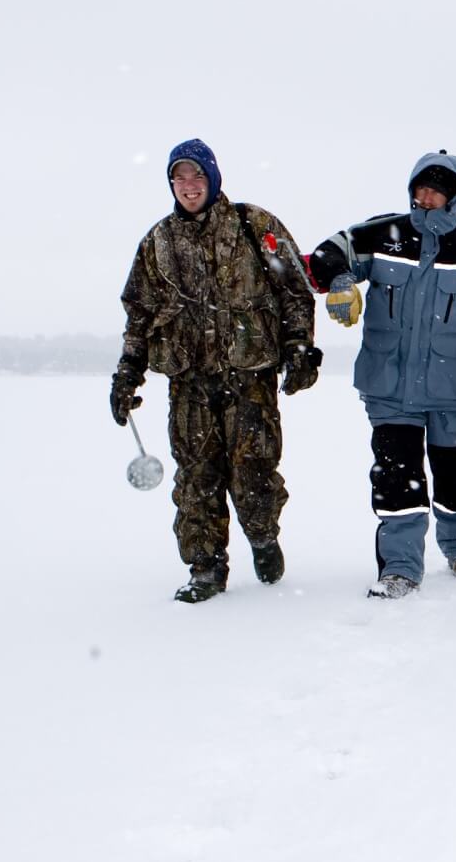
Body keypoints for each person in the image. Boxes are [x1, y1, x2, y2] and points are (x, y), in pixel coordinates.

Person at [111, 138, 322, 603]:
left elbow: (295, 289)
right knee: (196, 478)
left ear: (212, 178)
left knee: (255, 472)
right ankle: (205, 566)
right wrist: (128, 373)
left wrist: (300, 348)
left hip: (251, 377)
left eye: (196, 176)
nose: (188, 186)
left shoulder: (254, 225)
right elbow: (139, 314)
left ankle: (264, 537)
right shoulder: (158, 243)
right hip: (189, 381)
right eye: (179, 178)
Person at [307, 150, 456, 599]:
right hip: (390, 387)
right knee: (396, 479)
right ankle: (401, 568)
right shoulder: (384, 233)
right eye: (421, 188)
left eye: (438, 190)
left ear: (453, 196)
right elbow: (328, 253)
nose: (427, 197)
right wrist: (343, 283)